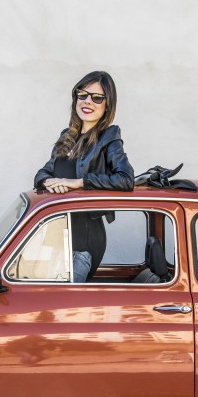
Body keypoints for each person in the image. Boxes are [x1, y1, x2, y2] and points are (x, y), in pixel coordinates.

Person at [33, 71, 134, 282]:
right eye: (83, 94)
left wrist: (77, 183)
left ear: (107, 105)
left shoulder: (109, 137)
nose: (88, 101)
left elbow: (125, 179)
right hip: (55, 241)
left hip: (83, 244)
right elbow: (43, 173)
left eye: (97, 97)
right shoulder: (67, 136)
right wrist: (49, 183)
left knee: (64, 308)